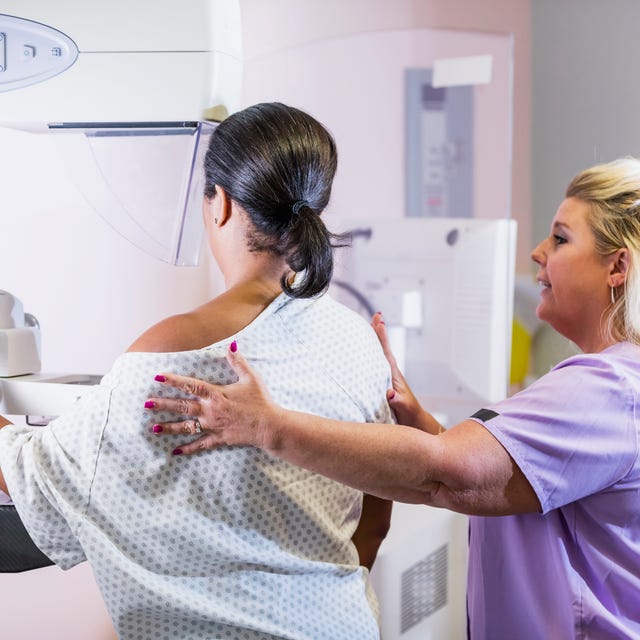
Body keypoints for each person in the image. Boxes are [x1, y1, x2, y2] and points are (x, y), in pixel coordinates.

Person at [145, 157, 640, 639]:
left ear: (618, 267)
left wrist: (263, 426)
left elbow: (449, 476)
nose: (538, 252)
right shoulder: (608, 384)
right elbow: (511, 481)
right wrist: (425, 427)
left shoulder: (609, 391)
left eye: (560, 238)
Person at [0, 102, 395, 639]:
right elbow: (376, 519)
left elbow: (25, 476)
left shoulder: (170, 353)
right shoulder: (357, 341)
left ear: (222, 204)